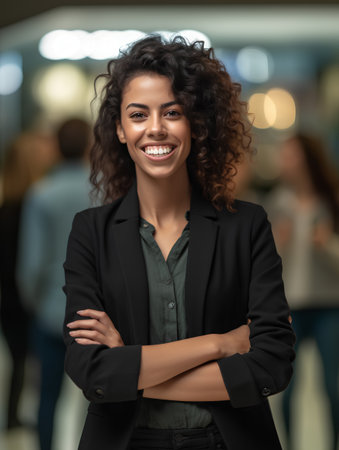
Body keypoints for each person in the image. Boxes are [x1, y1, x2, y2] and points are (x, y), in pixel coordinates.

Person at [63, 36, 295, 450]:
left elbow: (271, 366)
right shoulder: (90, 233)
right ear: (119, 128)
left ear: (196, 125)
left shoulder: (247, 227)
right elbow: (93, 373)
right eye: (138, 114)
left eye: (172, 112)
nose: (155, 128)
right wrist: (219, 344)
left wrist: (131, 368)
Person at [16, 119, 92, 450]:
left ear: (57, 147)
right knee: (99, 402)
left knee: (46, 398)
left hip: (50, 312)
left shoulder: (41, 194)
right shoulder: (104, 191)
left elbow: (31, 266)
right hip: (96, 315)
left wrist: (35, 303)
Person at [265, 134, 339, 450]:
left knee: (332, 386)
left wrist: (328, 245)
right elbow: (263, 266)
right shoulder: (277, 204)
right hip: (290, 306)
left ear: (307, 157)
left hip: (328, 306)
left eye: (291, 154)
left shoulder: (330, 202)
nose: (285, 160)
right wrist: (276, 245)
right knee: (287, 388)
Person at [0, 132, 57, 430]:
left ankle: (12, 417)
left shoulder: (7, 206)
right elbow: (31, 264)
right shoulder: (34, 204)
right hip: (26, 298)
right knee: (35, 369)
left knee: (19, 362)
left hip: (10, 298)